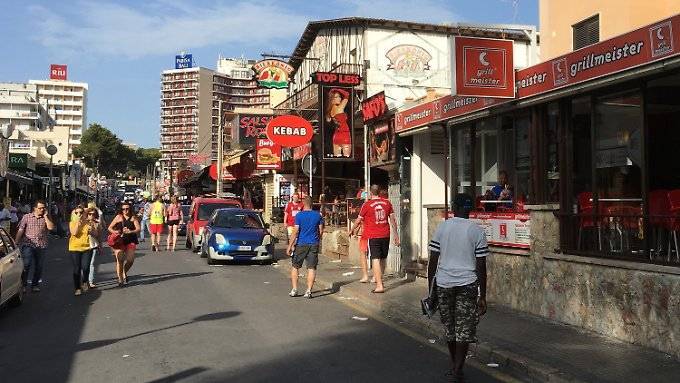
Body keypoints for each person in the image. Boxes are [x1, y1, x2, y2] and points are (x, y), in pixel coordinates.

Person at [427, 194, 489, 383]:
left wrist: (430, 291)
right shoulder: (477, 231)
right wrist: (483, 296)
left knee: (450, 327)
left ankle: (455, 366)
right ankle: (457, 368)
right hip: (467, 284)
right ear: (470, 209)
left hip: (444, 283)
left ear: (454, 207)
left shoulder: (443, 227)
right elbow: (481, 266)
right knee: (464, 328)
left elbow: (433, 261)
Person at [351, 185, 400, 294]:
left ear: (371, 193)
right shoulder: (387, 203)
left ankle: (379, 285)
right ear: (379, 192)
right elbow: (393, 220)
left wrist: (351, 229)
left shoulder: (367, 204)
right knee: (383, 258)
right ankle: (378, 279)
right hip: (386, 234)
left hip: (373, 235)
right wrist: (396, 235)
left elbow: (359, 220)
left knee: (375, 258)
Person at [286, 196, 324, 299]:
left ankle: (294, 289)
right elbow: (321, 231)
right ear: (312, 204)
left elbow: (295, 231)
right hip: (313, 244)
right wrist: (317, 239)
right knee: (311, 267)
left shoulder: (299, 215)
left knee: (295, 266)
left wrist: (290, 245)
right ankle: (308, 291)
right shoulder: (318, 215)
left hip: (301, 243)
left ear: (303, 204)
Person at [15, 200, 55, 292]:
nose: (42, 209)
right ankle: (23, 285)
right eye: (40, 208)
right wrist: (16, 243)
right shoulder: (27, 217)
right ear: (35, 208)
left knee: (39, 266)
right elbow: (21, 230)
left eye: (43, 208)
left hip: (41, 245)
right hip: (28, 244)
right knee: (26, 264)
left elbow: (51, 227)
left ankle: (35, 284)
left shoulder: (46, 217)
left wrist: (45, 216)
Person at [108, 201, 141, 287]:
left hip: (131, 240)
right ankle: (120, 278)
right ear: (121, 210)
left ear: (130, 209)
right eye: (123, 209)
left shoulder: (133, 217)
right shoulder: (118, 217)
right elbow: (109, 228)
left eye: (127, 209)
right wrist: (116, 232)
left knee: (130, 260)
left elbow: (138, 229)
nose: (125, 210)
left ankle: (124, 272)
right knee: (120, 260)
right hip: (119, 241)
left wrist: (131, 231)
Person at [68, 206, 94, 296]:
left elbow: (96, 234)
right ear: (74, 214)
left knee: (86, 267)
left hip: (87, 248)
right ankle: (77, 288)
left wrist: (92, 229)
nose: (79, 214)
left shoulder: (88, 223)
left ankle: (85, 281)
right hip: (74, 248)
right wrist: (78, 223)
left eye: (81, 212)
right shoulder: (72, 223)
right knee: (77, 268)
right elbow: (74, 233)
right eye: (76, 213)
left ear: (84, 214)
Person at [325, 88, 351, 157]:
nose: (339, 98)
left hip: (336, 136)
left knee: (337, 159)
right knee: (347, 158)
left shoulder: (330, 111)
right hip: (345, 134)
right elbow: (347, 94)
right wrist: (337, 89)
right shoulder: (340, 108)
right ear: (332, 99)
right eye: (337, 97)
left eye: (339, 96)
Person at [86, 205, 103, 288]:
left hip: (93, 245)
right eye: (89, 214)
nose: (91, 216)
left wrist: (100, 246)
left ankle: (90, 281)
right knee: (85, 265)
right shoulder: (83, 222)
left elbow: (99, 236)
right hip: (84, 246)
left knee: (91, 264)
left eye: (93, 214)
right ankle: (84, 280)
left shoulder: (97, 224)